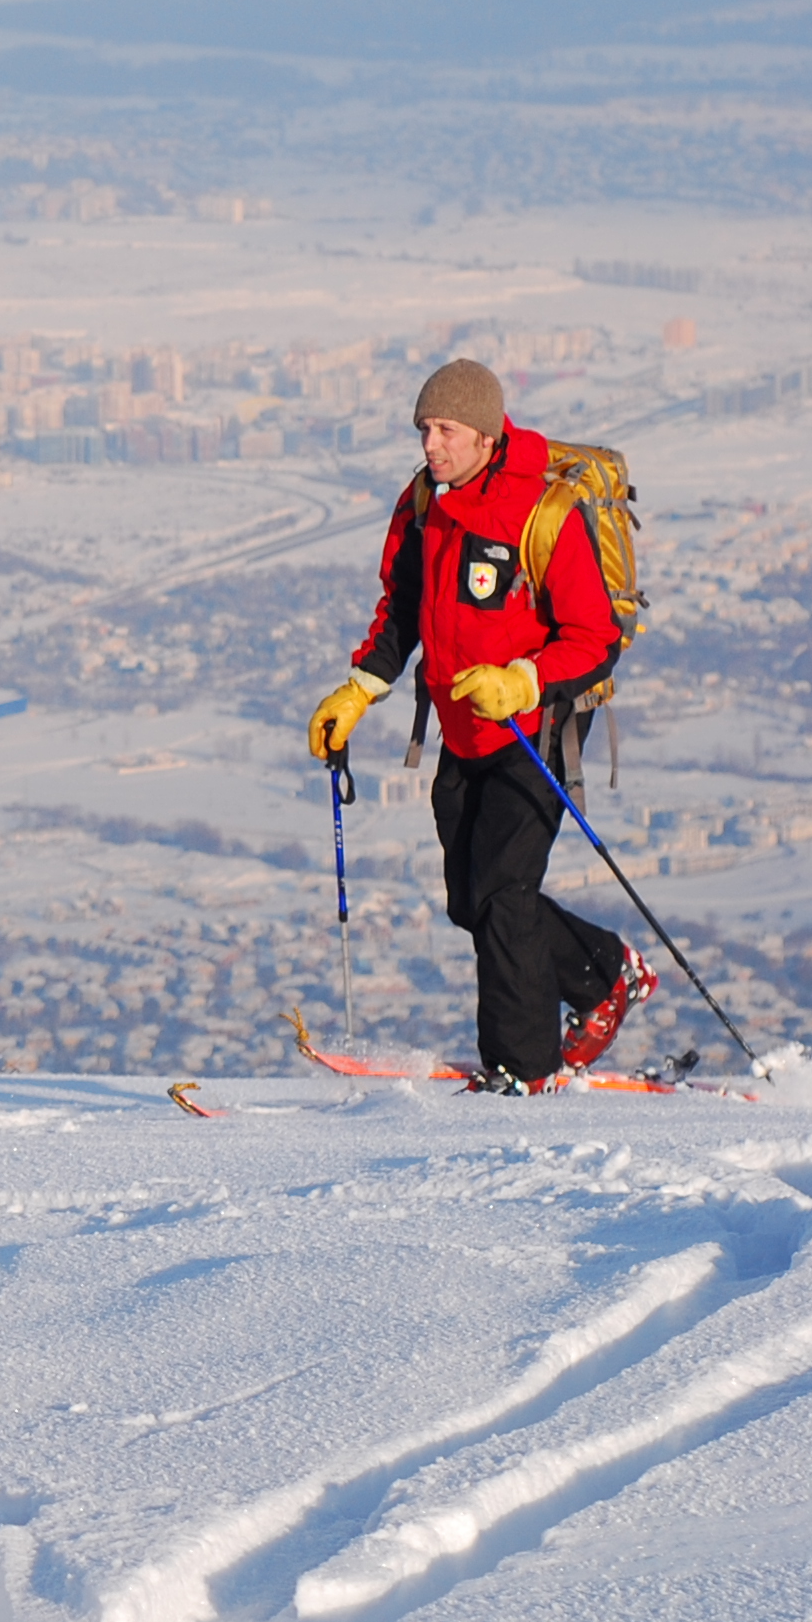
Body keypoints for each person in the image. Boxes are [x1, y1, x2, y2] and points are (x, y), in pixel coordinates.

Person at [307, 356, 656, 1089]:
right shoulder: (424, 504)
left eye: (446, 430)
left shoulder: (544, 513)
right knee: (473, 899)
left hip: (542, 725)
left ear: (487, 435)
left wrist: (523, 679)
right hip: (466, 728)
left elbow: (595, 638)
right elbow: (404, 607)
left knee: (502, 893)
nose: (431, 444)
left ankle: (522, 1071)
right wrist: (359, 689)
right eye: (425, 428)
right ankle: (605, 975)